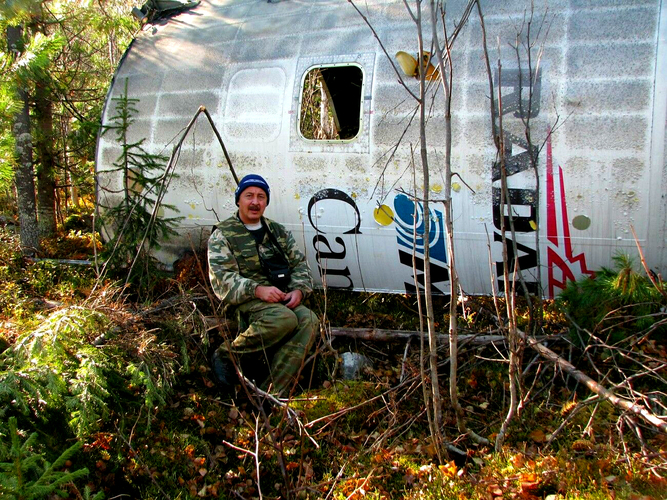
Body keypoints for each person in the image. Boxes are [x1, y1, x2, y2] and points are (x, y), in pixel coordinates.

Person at [207, 174, 318, 397]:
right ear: (239, 200)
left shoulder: (277, 232)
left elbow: (300, 265)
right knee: (284, 319)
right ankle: (228, 354)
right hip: (246, 300)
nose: (255, 202)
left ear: (266, 202)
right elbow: (221, 279)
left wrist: (299, 290)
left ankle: (272, 394)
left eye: (261, 196)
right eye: (249, 196)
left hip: (280, 298)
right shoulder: (223, 234)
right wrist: (256, 290)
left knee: (309, 320)